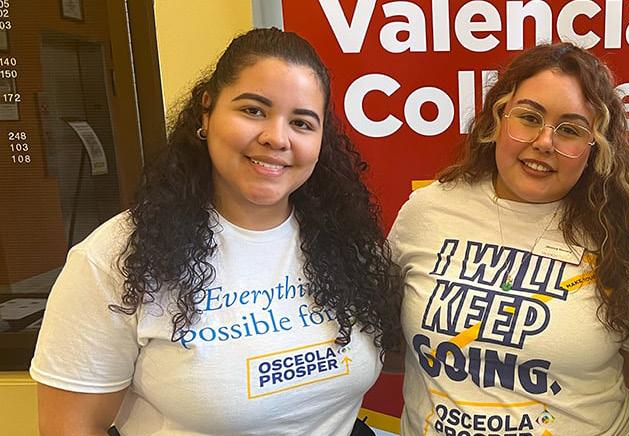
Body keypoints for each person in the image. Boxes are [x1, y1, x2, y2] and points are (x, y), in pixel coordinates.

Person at [30, 28, 401, 435]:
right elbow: (72, 426)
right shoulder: (115, 258)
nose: (277, 138)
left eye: (301, 122)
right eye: (253, 111)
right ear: (206, 112)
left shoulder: (348, 243)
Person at [388, 43, 629, 435]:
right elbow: (385, 340)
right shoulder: (426, 211)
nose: (544, 142)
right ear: (498, 119)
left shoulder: (628, 238)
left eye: (570, 130)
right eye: (529, 117)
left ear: (596, 147)